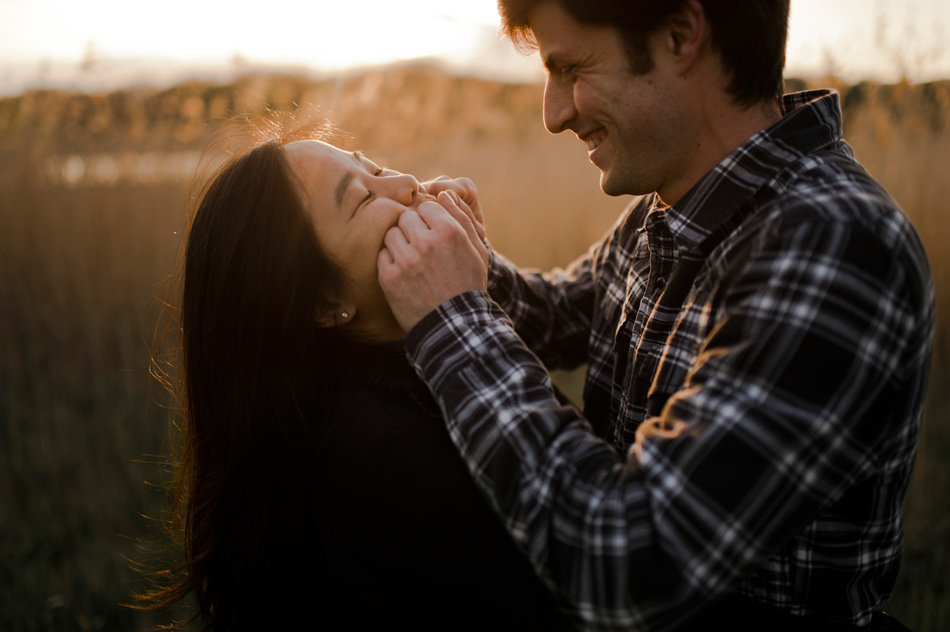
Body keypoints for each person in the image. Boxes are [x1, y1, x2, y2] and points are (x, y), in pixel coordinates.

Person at [377, 0, 936, 630]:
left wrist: (455, 316)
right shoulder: (678, 203)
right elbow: (564, 314)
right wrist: (452, 255)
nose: (554, 114)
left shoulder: (834, 245)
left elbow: (629, 558)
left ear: (680, 35)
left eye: (571, 68)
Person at [139, 123, 573, 631]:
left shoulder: (398, 379)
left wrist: (473, 285)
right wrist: (466, 310)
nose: (408, 183)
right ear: (326, 302)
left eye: (376, 166)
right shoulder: (384, 454)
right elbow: (586, 575)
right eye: (365, 198)